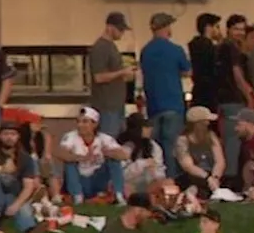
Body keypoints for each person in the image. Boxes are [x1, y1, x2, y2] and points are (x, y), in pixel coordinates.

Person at [139, 12, 191, 177]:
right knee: (171, 147)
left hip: (153, 106)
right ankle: (172, 183)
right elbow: (187, 71)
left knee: (156, 148)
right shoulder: (175, 49)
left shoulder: (145, 51)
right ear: (166, 28)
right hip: (173, 105)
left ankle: (157, 181)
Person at [0, 120, 38, 233]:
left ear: (18, 137)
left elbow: (28, 186)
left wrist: (16, 205)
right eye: (6, 134)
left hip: (15, 196)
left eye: (13, 134)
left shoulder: (25, 158)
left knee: (23, 208)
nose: (9, 137)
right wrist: (1, 169)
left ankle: (29, 231)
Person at [58, 106, 128, 204]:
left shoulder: (104, 138)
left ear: (95, 124)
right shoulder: (70, 136)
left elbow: (124, 156)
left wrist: (107, 153)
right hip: (80, 179)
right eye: (78, 122)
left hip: (97, 179)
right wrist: (82, 158)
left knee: (114, 160)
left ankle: (119, 196)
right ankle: (78, 197)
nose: (80, 125)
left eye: (85, 122)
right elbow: (61, 153)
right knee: (69, 163)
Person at [217, 14, 254, 179]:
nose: (240, 32)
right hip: (232, 100)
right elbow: (237, 73)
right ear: (229, 30)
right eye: (236, 29)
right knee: (233, 143)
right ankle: (230, 180)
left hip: (227, 100)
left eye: (242, 29)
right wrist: (248, 94)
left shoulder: (227, 47)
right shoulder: (230, 48)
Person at [89, 12, 136, 138]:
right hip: (107, 107)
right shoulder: (100, 48)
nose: (122, 33)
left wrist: (125, 74)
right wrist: (122, 72)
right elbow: (98, 77)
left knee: (116, 144)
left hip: (117, 105)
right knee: (107, 143)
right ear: (109, 27)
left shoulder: (112, 46)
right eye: (120, 29)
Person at [174, 106, 225, 194]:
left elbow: (220, 161)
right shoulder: (183, 140)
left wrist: (215, 178)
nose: (208, 123)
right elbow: (188, 166)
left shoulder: (211, 136)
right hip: (193, 177)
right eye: (206, 121)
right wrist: (207, 178)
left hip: (212, 175)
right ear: (198, 124)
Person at [117, 113, 166, 197]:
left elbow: (160, 169)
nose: (150, 129)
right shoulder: (123, 146)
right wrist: (141, 164)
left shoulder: (154, 146)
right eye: (146, 126)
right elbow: (121, 174)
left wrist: (156, 174)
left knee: (166, 183)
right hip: (128, 183)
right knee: (126, 188)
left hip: (147, 184)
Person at [188, 12, 222, 111]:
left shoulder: (194, 45)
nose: (219, 30)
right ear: (208, 27)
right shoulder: (209, 47)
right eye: (217, 26)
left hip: (198, 91)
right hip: (210, 94)